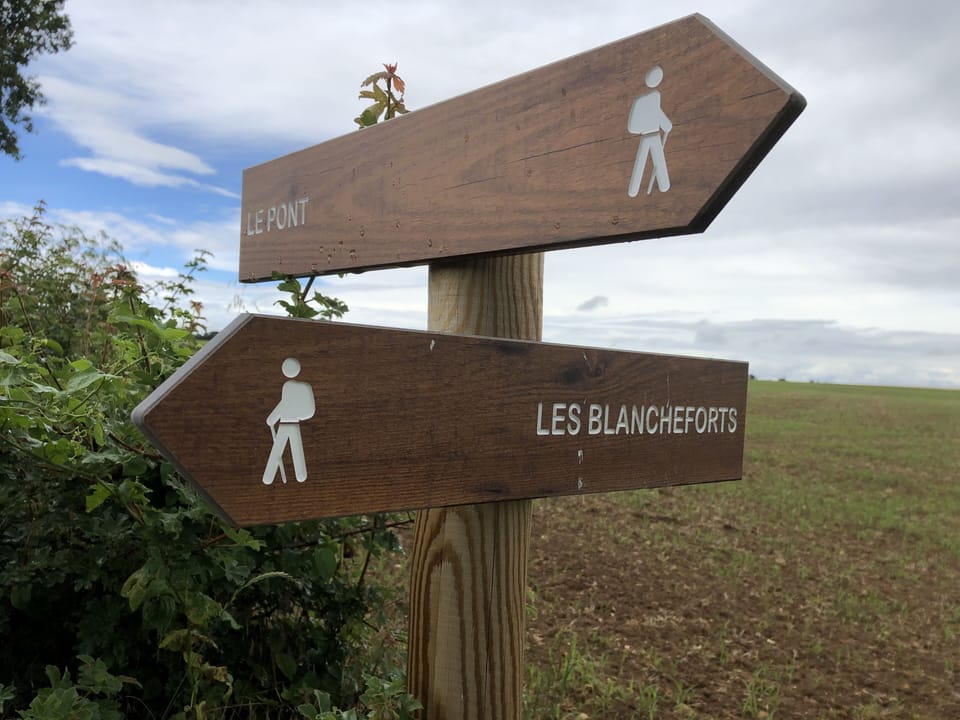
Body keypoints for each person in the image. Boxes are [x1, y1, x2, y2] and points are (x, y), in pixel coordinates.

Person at [262, 357, 315, 484]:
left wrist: (271, 419)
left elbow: (283, 405)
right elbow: (286, 405)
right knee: (291, 450)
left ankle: (270, 477)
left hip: (286, 423)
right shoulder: (302, 387)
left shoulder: (289, 387)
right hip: (292, 424)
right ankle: (297, 476)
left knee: (280, 449)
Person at [627, 65, 672, 197]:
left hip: (655, 135)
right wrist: (665, 125)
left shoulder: (656, 96)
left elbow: (657, 112)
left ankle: (663, 185)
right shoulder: (641, 100)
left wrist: (666, 124)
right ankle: (634, 191)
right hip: (646, 135)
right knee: (641, 163)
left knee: (659, 161)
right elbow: (634, 124)